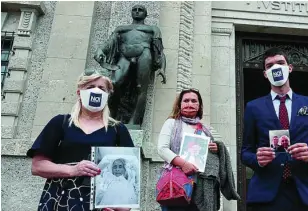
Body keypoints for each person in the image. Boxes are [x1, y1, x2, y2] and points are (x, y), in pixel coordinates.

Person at [27, 69, 134, 211]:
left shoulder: (118, 129)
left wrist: (120, 208)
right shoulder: (61, 123)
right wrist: (73, 170)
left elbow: (130, 173)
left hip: (101, 202)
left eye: (102, 88)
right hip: (62, 199)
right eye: (90, 87)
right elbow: (37, 166)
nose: (96, 91)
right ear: (79, 92)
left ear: (108, 95)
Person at [241, 47, 308, 211]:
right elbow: (245, 152)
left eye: (280, 63)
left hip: (306, 194)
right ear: (265, 74)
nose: (276, 68)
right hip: (266, 196)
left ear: (289, 68)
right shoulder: (253, 107)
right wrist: (257, 160)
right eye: (270, 66)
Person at [157, 88, 240, 211]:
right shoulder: (171, 123)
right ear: (179, 104)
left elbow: (210, 158)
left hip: (200, 188)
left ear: (199, 105)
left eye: (193, 101)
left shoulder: (205, 130)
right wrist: (183, 164)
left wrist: (217, 149)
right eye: (186, 100)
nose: (189, 104)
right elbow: (162, 149)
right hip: (176, 185)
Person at [94, 4, 166, 126]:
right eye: (135, 10)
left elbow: (159, 51)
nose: (137, 12)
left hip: (144, 53)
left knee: (141, 88)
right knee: (114, 83)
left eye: (140, 10)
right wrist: (100, 50)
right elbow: (110, 42)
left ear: (146, 14)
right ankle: (111, 116)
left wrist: (162, 67)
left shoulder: (153, 29)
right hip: (124, 55)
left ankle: (134, 121)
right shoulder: (121, 29)